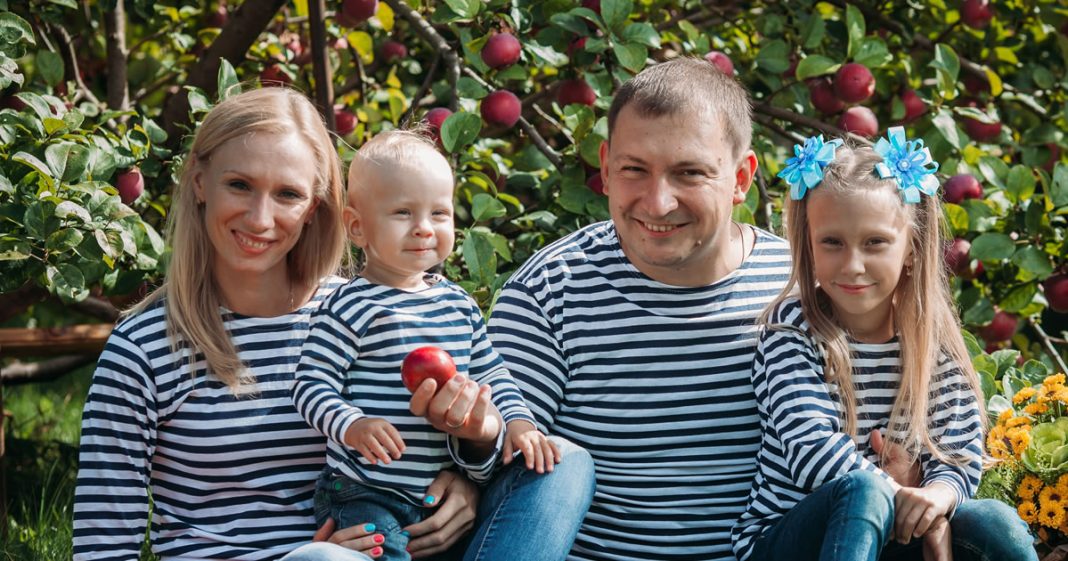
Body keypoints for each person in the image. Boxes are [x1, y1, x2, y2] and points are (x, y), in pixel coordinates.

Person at [72, 88, 479, 561]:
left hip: (379, 545)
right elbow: (102, 548)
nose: (260, 219)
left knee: (559, 466)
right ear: (201, 182)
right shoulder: (143, 347)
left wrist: (466, 484)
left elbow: (429, 437)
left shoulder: (361, 317)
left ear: (315, 209)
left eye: (287, 194)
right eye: (240, 185)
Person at [487, 57, 793, 560]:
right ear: (606, 168)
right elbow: (506, 461)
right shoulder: (550, 290)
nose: (657, 202)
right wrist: (468, 463)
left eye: (689, 173)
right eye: (635, 170)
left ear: (741, 178)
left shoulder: (798, 289)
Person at [730, 130, 1036, 561]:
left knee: (994, 522)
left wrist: (936, 499)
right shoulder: (792, 332)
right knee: (863, 488)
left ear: (910, 248)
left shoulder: (932, 342)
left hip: (892, 537)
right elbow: (812, 451)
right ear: (809, 244)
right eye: (832, 242)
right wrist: (901, 496)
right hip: (787, 540)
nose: (852, 265)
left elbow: (958, 450)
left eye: (875, 242)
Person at [291, 130, 566, 561]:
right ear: (358, 227)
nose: (424, 228)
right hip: (364, 487)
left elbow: (493, 375)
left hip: (432, 488)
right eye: (403, 213)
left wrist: (519, 423)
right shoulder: (350, 305)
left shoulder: (458, 305)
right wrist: (352, 424)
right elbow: (310, 384)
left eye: (439, 212)